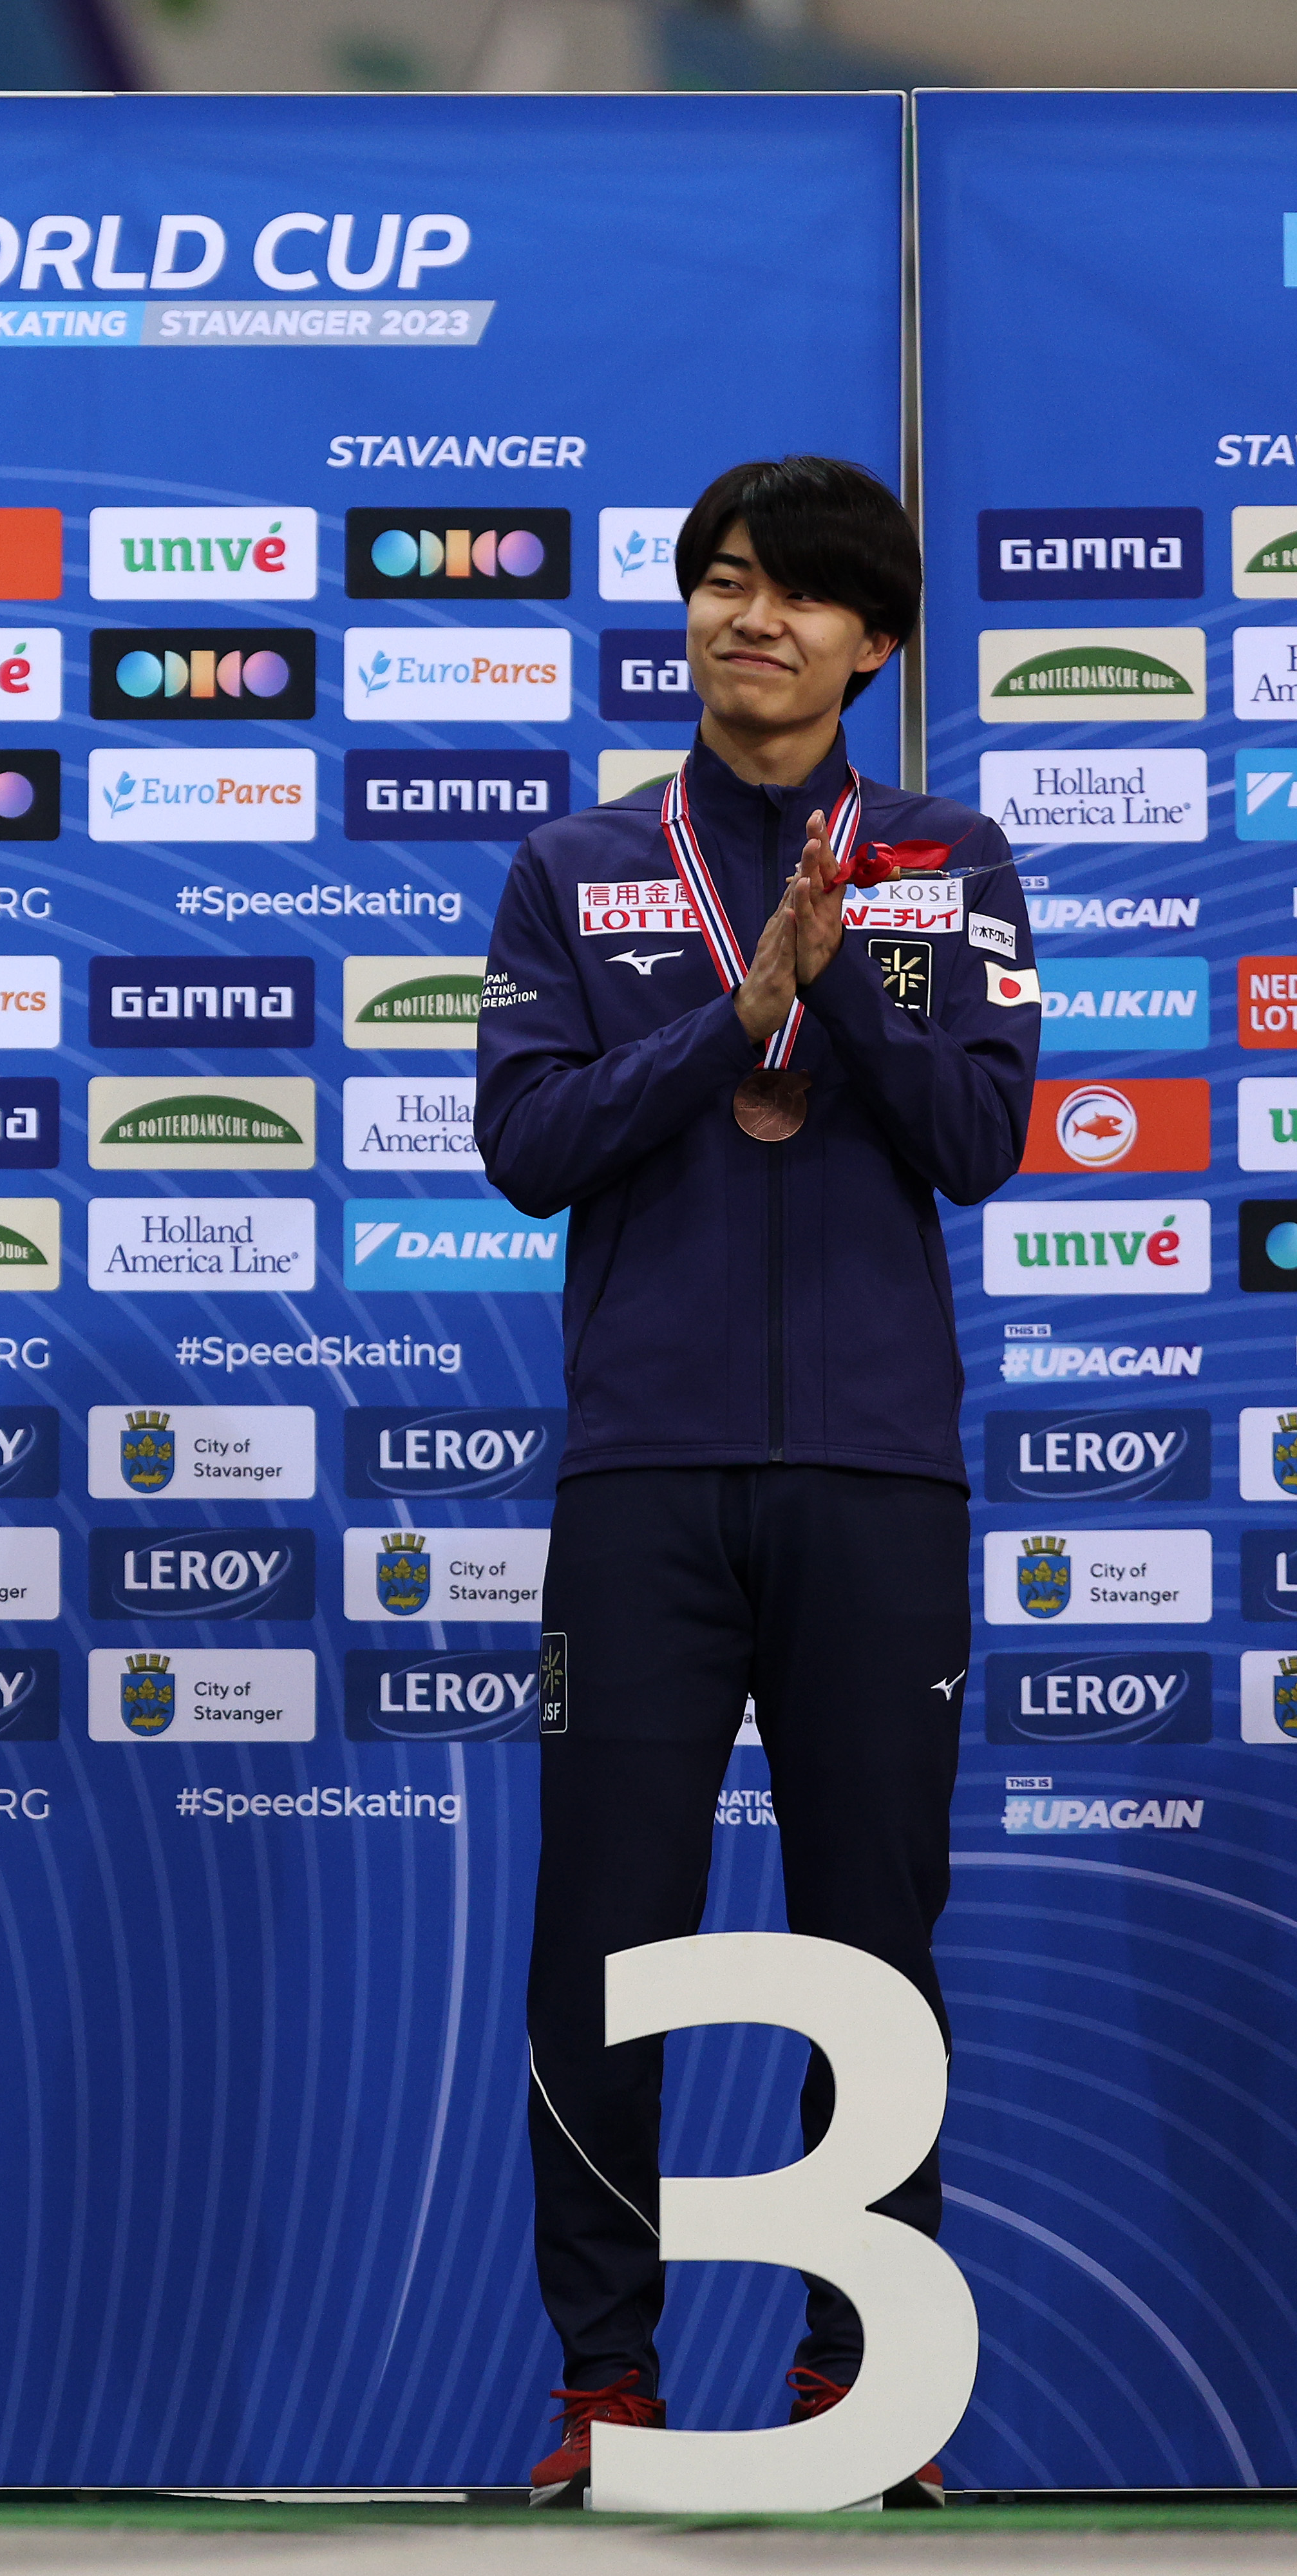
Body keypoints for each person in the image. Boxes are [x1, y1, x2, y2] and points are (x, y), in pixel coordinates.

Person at [478, 457, 1036, 2508]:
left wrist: (849, 987)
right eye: (722, 582)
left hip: (877, 1476)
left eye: (799, 595)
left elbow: (979, 1139)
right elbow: (529, 1148)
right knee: (604, 1929)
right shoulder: (578, 866)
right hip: (646, 1472)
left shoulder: (951, 862)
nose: (752, 619)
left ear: (873, 643)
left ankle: (857, 2389)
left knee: (870, 1931)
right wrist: (748, 1007)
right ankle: (603, 2392)